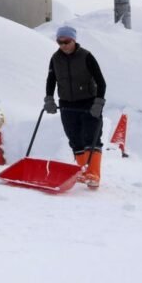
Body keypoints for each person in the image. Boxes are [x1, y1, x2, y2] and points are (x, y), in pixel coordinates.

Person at [44, 25, 107, 189]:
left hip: (88, 102)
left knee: (91, 138)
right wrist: (49, 99)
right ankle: (82, 171)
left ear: (74, 40)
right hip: (67, 104)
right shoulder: (55, 58)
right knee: (75, 139)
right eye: (60, 42)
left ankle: (93, 174)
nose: (63, 45)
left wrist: (99, 102)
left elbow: (101, 82)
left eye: (67, 41)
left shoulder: (86, 56)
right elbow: (51, 80)